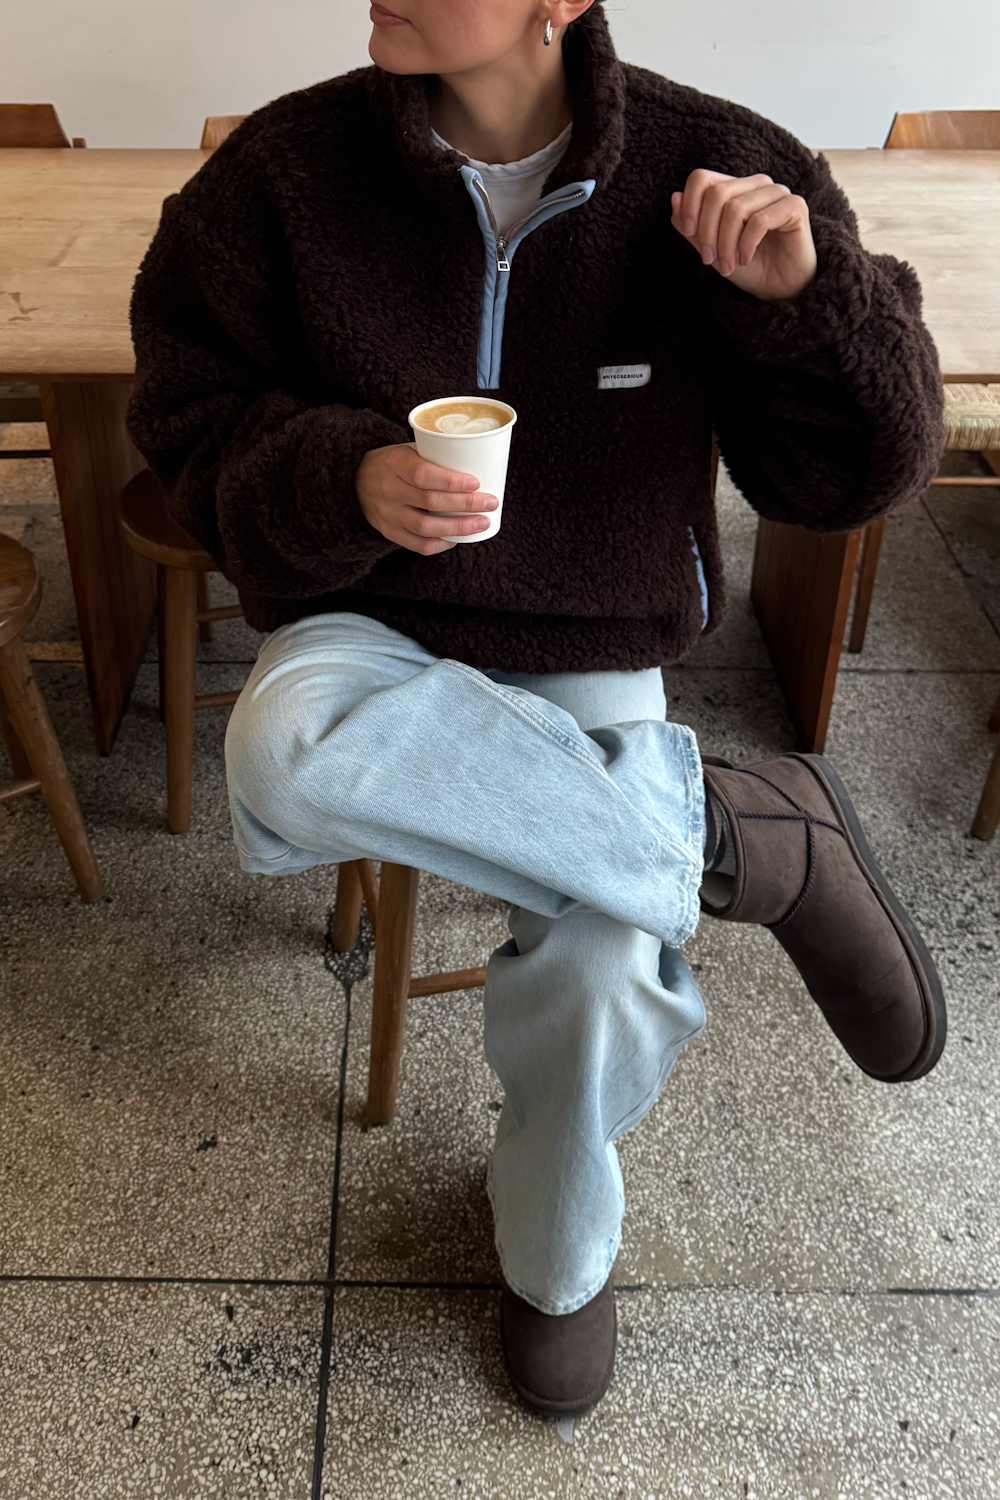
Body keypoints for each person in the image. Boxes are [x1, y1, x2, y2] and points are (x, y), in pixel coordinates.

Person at [127, 0, 946, 1417]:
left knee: (607, 956)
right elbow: (185, 418)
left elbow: (854, 479)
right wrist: (343, 476)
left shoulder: (718, 169)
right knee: (278, 744)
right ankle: (740, 831)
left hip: (588, 636)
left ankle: (557, 1263)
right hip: (370, 621)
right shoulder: (282, 175)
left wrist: (804, 302)